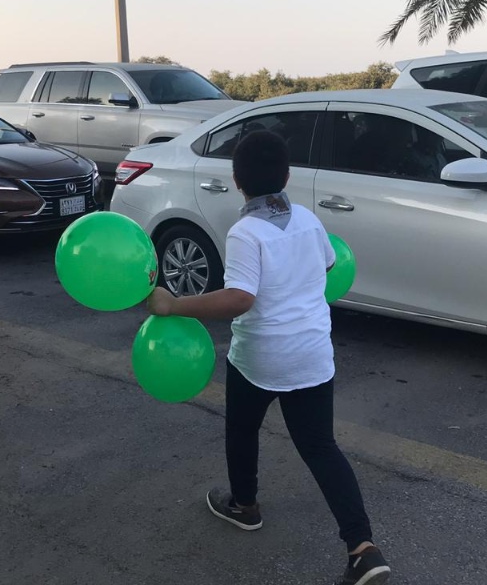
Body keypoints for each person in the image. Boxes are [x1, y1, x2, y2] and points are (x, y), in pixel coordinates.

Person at [147, 130, 391, 585]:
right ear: (288, 177)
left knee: (242, 429)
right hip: (312, 353)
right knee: (321, 448)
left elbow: (240, 297)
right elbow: (328, 265)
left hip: (261, 357)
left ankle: (245, 505)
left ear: (237, 181)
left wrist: (175, 305)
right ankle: (362, 547)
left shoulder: (246, 231)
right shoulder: (307, 220)